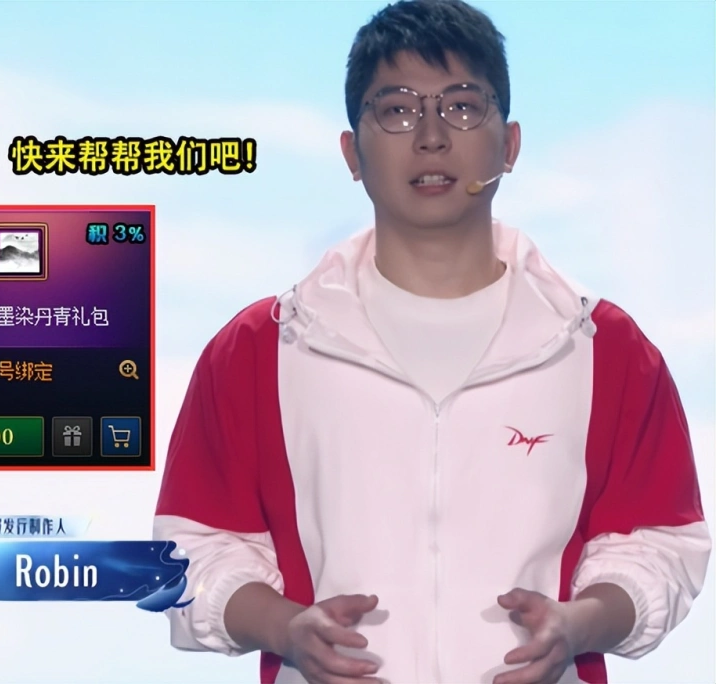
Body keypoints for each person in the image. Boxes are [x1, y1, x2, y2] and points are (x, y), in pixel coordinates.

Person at [152, 1, 711, 682]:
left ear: (509, 144)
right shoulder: (259, 349)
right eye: (397, 110)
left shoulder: (604, 347)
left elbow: (662, 545)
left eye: (463, 107)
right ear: (352, 153)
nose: (431, 137)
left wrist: (580, 623)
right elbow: (190, 552)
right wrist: (284, 629)